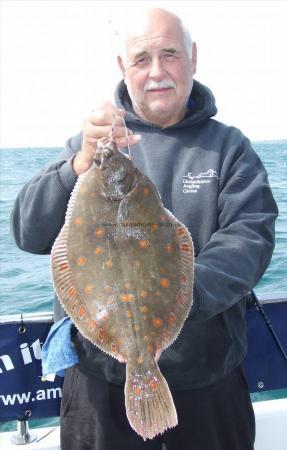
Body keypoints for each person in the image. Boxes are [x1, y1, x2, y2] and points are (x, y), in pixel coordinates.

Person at [11, 7, 278, 450]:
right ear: (123, 67)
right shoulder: (88, 149)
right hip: (99, 389)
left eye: (170, 54)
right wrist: (78, 164)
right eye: (141, 59)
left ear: (193, 57)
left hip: (207, 384)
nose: (157, 72)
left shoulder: (229, 149)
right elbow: (28, 232)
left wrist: (177, 297)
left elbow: (250, 239)